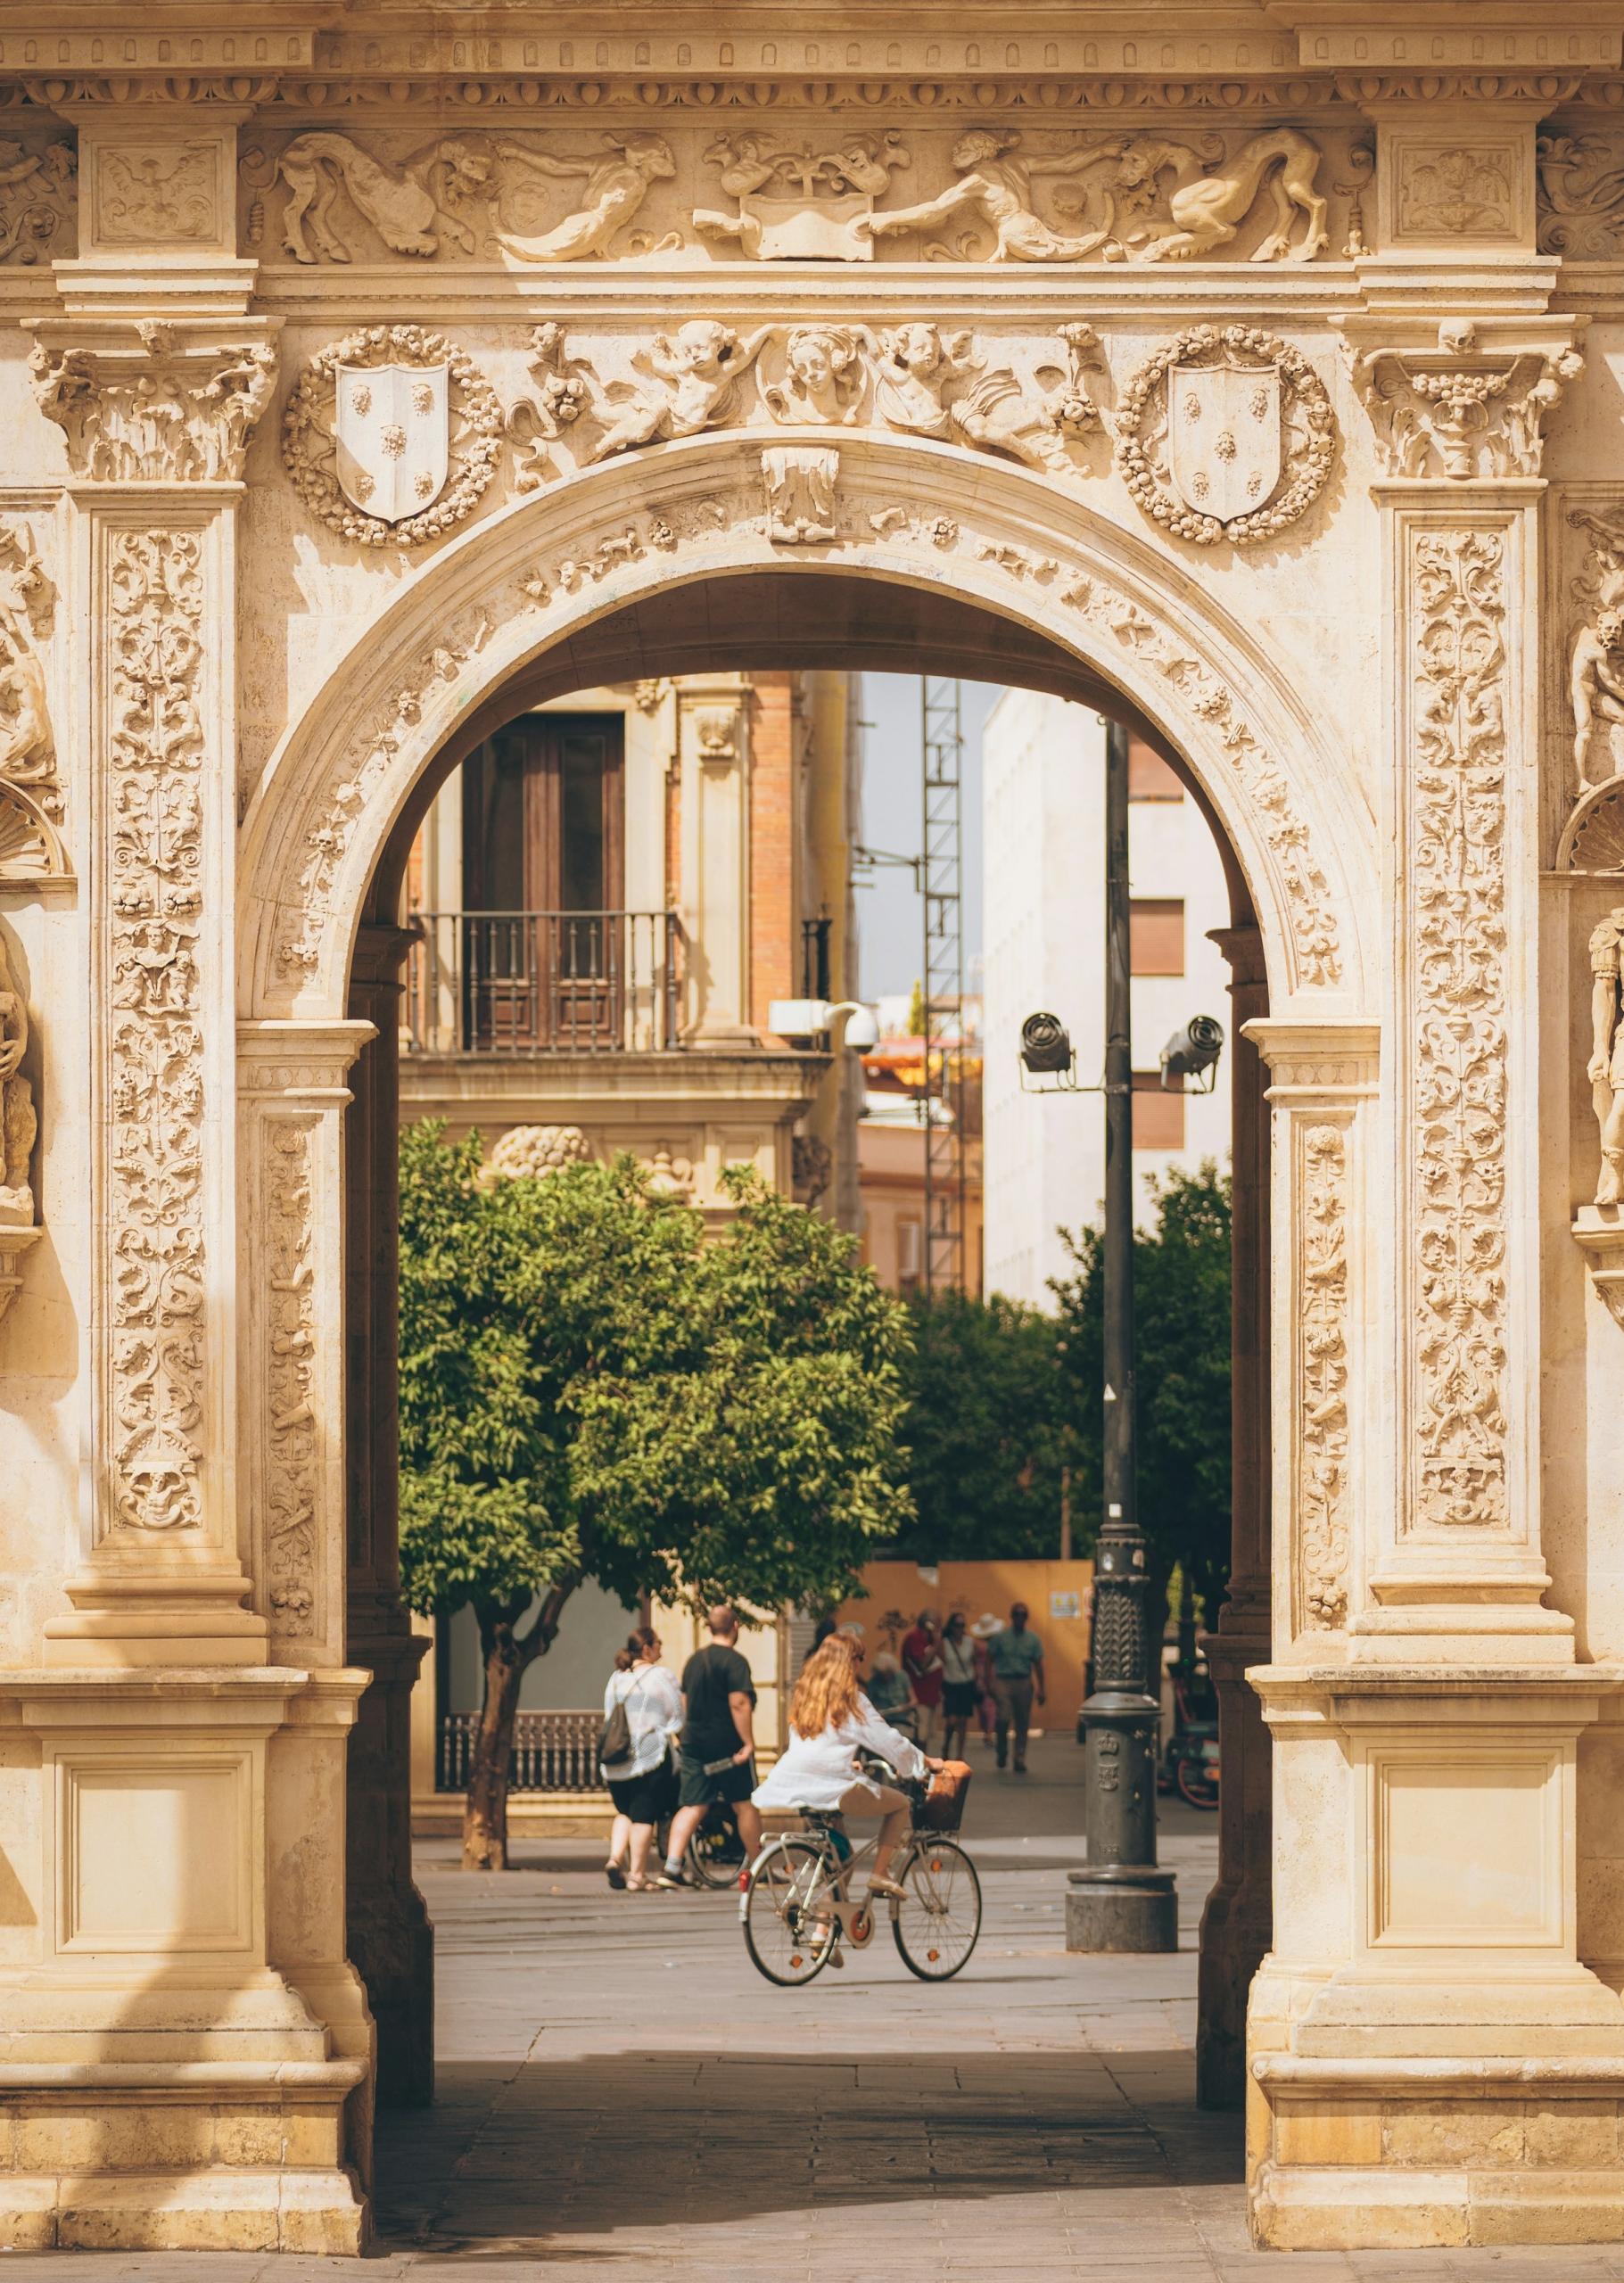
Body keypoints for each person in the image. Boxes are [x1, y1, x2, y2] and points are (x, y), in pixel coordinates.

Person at [754, 1636, 941, 1921]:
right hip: (830, 1786)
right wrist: (921, 1762)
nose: (860, 1665)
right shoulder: (851, 1698)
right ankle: (880, 1873)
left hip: (795, 1783)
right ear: (848, 1662)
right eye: (858, 1658)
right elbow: (887, 1740)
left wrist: (845, 1761)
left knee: (839, 1860)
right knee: (900, 1804)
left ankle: (822, 1931)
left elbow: (813, 1743)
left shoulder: (807, 1695)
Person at [657, 1605, 762, 1890]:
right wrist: (748, 1742)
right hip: (728, 1748)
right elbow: (739, 1703)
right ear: (735, 1626)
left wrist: (687, 1733)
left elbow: (684, 1703)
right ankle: (759, 1866)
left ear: (709, 1627)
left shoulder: (694, 1660)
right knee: (744, 1805)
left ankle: (672, 1867)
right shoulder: (735, 1662)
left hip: (694, 1744)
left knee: (693, 1804)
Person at [600, 1626, 682, 1892]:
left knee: (624, 1811)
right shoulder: (660, 1676)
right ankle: (637, 1876)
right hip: (649, 1756)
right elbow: (677, 1714)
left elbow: (609, 1714)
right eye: (658, 1643)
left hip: (616, 1757)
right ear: (646, 1648)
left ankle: (615, 1859)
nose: (661, 1648)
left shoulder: (615, 1678)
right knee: (643, 1816)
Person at [989, 1601, 1046, 1774]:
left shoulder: (1033, 1639)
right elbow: (989, 1659)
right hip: (1004, 1680)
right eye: (1017, 1615)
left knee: (1022, 1722)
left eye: (1023, 1615)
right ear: (1012, 1617)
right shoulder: (1001, 1637)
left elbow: (1038, 1664)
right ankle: (1002, 1750)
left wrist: (1042, 1688)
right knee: (1003, 1717)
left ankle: (1019, 1757)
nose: (1020, 1618)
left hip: (1023, 1681)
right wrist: (988, 1682)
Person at [900, 1609, 944, 1750]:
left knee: (926, 1735)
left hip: (932, 1694)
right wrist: (936, 1643)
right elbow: (922, 1663)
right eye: (937, 1624)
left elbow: (944, 1659)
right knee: (919, 1734)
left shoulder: (930, 1639)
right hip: (919, 1694)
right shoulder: (914, 1638)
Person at [939, 1611, 979, 1761]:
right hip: (950, 1684)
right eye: (957, 1625)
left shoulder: (970, 1642)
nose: (959, 1628)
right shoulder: (945, 1643)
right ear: (951, 1626)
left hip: (966, 1683)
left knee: (963, 1721)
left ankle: (960, 1754)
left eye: (962, 1625)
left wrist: (979, 1679)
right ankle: (946, 1744)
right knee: (951, 1721)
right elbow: (939, 1662)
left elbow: (975, 1662)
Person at [866, 1648, 918, 1737]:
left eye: (887, 1673)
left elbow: (914, 1701)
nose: (885, 1677)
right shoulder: (874, 1682)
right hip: (883, 1719)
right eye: (882, 1674)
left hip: (902, 1720)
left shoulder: (902, 1676)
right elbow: (868, 1703)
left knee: (900, 1735)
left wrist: (904, 1707)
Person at [969, 1612, 1002, 1748]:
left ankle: (988, 1732)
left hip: (983, 1674)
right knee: (986, 1706)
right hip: (987, 1674)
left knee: (987, 1706)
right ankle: (987, 1732)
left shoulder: (977, 1644)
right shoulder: (989, 1644)